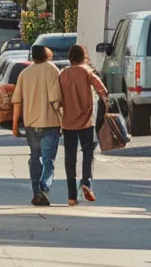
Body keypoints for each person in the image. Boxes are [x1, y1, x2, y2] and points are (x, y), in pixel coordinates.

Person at [11, 45, 63, 206]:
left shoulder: (24, 74)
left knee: (35, 157)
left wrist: (14, 125)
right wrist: (63, 117)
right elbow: (56, 99)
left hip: (30, 123)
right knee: (48, 159)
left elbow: (17, 101)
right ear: (47, 55)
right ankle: (44, 185)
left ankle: (36, 192)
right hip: (50, 122)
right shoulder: (53, 70)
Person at [58, 44, 109, 206]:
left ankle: (71, 196)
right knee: (87, 153)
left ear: (69, 58)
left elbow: (57, 98)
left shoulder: (62, 74)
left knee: (70, 157)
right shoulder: (87, 71)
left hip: (67, 122)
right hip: (86, 121)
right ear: (83, 57)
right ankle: (85, 183)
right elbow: (103, 90)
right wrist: (106, 107)